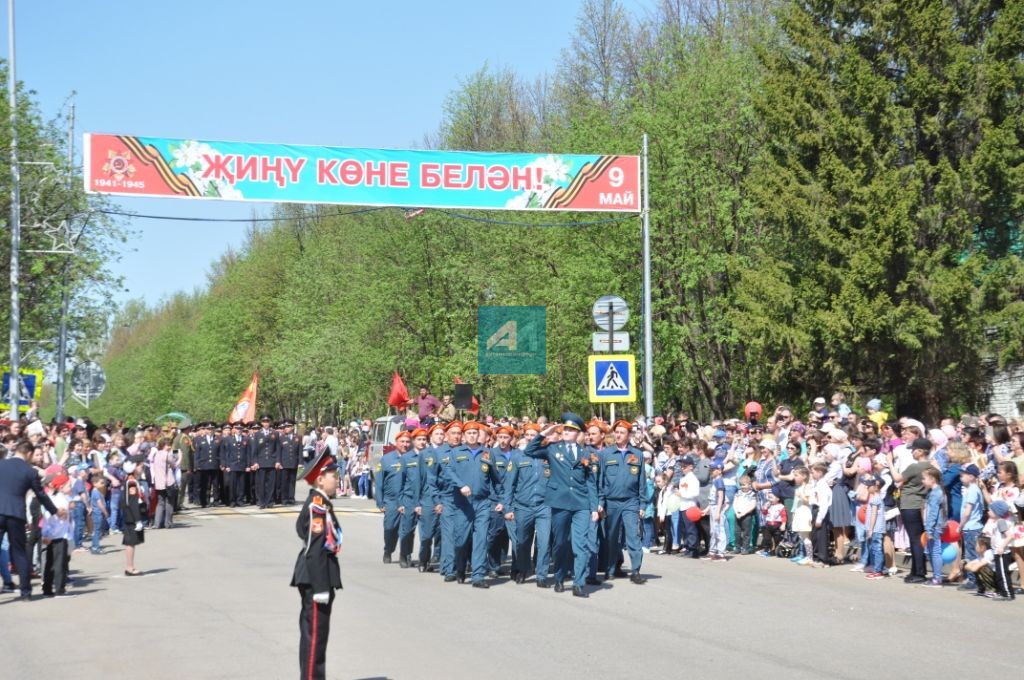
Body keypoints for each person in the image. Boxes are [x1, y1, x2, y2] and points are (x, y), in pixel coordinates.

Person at [524, 414, 599, 597]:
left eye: (571, 430)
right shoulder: (552, 448)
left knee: (580, 544)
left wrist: (595, 507)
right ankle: (559, 577)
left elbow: (591, 482)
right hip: (559, 503)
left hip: (581, 503)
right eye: (565, 429)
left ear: (578, 433)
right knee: (560, 543)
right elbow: (529, 450)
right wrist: (545, 433)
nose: (566, 432)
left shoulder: (586, 453)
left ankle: (578, 583)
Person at [291, 448, 343, 680]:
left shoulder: (321, 502)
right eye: (334, 476)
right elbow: (314, 547)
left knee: (314, 637)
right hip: (315, 577)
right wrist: (321, 587)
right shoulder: (317, 505)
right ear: (321, 479)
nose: (337, 479)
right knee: (315, 638)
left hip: (315, 575)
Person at [444, 421, 502, 588]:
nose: (472, 436)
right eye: (468, 433)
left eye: (475, 433)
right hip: (463, 503)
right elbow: (449, 472)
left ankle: (478, 576)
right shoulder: (456, 453)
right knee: (461, 540)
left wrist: (501, 500)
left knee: (480, 539)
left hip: (482, 502)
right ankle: (460, 567)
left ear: (479, 435)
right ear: (464, 436)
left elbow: (495, 478)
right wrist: (461, 485)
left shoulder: (487, 453)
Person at [598, 420, 647, 582]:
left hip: (631, 502)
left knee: (633, 536)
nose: (618, 435)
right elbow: (601, 481)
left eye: (622, 432)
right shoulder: (606, 454)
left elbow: (642, 482)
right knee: (611, 537)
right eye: (616, 432)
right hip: (611, 502)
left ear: (629, 435)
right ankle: (611, 568)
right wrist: (601, 503)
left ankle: (635, 570)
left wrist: (642, 504)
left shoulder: (637, 455)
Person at [887, 437, 933, 584]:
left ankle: (919, 572)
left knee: (915, 539)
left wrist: (890, 462)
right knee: (917, 537)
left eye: (914, 450)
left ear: (920, 452)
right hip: (922, 503)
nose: (912, 452)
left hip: (910, 503)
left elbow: (897, 478)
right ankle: (916, 570)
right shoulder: (932, 467)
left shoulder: (915, 467)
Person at [375, 430, 407, 563]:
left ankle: (405, 555)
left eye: (407, 441)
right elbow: (378, 482)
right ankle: (388, 550)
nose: (405, 444)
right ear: (396, 443)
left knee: (406, 530)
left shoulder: (413, 458)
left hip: (407, 500)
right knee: (390, 528)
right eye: (402, 441)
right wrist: (380, 502)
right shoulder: (386, 459)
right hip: (391, 501)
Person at [41, 471, 73, 598]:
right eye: (68, 485)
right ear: (60, 487)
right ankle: (60, 589)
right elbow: (57, 521)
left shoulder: (54, 498)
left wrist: (46, 534)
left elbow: (48, 519)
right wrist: (49, 534)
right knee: (59, 564)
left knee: (50, 563)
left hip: (52, 535)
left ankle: (47, 589)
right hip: (59, 536)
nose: (70, 488)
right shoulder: (60, 500)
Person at [397, 428, 426, 568]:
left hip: (425, 499)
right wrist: (400, 502)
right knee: (407, 529)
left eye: (424, 439)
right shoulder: (406, 458)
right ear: (414, 441)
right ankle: (404, 554)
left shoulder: (429, 456)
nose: (422, 442)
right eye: (419, 439)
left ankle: (423, 558)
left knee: (425, 532)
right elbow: (400, 482)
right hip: (409, 499)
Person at [958, 463, 985, 591]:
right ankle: (974, 579)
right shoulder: (972, 489)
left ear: (971, 476)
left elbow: (968, 511)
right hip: (971, 527)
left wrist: (960, 525)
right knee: (972, 553)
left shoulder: (973, 490)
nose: (960, 477)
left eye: (963, 475)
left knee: (971, 554)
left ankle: (973, 580)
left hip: (971, 527)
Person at [985, 500, 1016, 600]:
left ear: (997, 512)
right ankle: (1004, 592)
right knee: (999, 573)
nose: (988, 512)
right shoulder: (997, 522)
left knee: (1002, 574)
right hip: (997, 552)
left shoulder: (1001, 522)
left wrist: (1002, 546)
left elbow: (1010, 536)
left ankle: (1007, 594)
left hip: (1002, 553)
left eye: (990, 510)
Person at [921, 467, 947, 588]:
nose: (922, 481)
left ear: (933, 480)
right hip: (934, 526)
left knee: (935, 552)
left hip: (935, 527)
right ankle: (936, 576)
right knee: (930, 552)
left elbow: (933, 513)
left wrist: (929, 529)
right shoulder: (933, 492)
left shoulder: (936, 493)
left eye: (924, 479)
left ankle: (937, 578)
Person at [120, 461, 146, 576]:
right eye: (140, 466)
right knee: (131, 542)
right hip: (132, 516)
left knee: (132, 542)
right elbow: (132, 503)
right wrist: (137, 520)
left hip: (130, 515)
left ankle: (130, 567)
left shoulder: (132, 480)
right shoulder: (131, 482)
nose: (142, 468)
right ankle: (130, 568)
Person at [150, 437, 178, 528]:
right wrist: (177, 455)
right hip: (168, 482)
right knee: (169, 503)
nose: (169, 447)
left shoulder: (156, 454)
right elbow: (174, 464)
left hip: (159, 482)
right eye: (168, 445)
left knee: (160, 503)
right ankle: (168, 523)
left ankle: (157, 523)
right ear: (164, 445)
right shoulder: (167, 454)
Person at [277, 420, 302, 505]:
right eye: (285, 427)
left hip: (293, 462)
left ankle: (291, 498)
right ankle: (284, 499)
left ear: (292, 427)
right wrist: (278, 462)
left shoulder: (298, 437)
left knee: (292, 481)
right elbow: (279, 451)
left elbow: (300, 451)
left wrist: (300, 462)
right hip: (284, 463)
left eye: (288, 427)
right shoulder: (281, 437)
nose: (286, 429)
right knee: (284, 482)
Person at [89, 475, 109, 554]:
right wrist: (105, 512)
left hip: (97, 513)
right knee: (97, 531)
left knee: (96, 530)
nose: (103, 484)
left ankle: (94, 546)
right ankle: (95, 547)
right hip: (98, 513)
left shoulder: (96, 491)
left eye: (103, 483)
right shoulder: (96, 492)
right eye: (101, 483)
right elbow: (99, 503)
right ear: (94, 483)